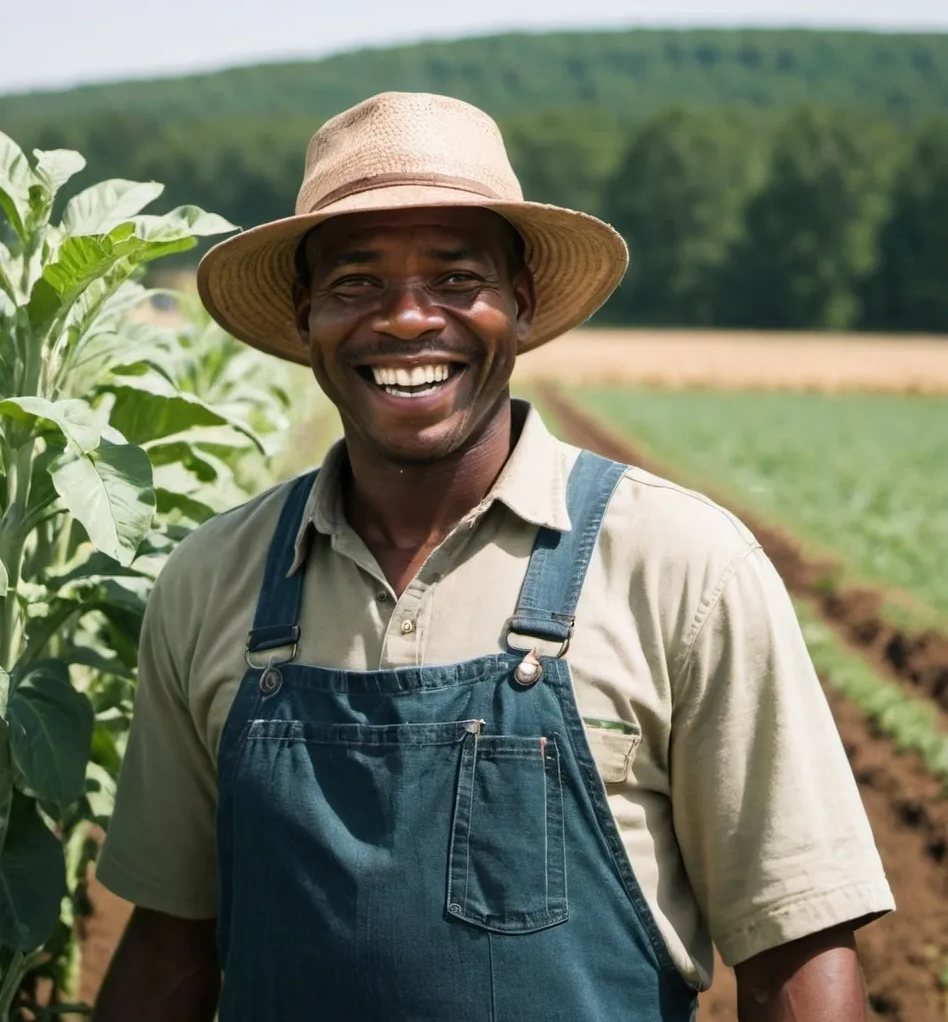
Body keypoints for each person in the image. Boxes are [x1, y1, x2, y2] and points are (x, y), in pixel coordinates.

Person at [93, 92, 893, 1022]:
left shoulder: (683, 568)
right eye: (354, 283)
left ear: (522, 303)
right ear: (305, 314)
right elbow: (169, 941)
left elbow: (795, 954)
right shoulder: (210, 581)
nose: (403, 319)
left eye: (455, 278)